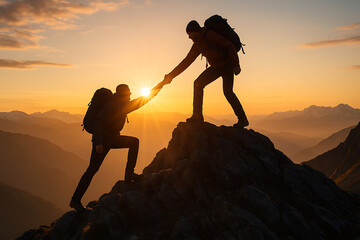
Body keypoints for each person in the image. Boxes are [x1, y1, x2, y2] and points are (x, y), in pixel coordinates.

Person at [70, 80, 167, 212]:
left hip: (110, 139)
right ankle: (75, 200)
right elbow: (98, 121)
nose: (130, 97)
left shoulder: (122, 104)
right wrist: (98, 143)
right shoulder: (113, 105)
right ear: (124, 95)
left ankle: (129, 175)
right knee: (92, 169)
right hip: (103, 141)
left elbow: (145, 99)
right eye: (128, 95)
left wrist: (161, 84)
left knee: (132, 143)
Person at [164, 20, 249, 128]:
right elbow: (186, 62)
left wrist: (237, 65)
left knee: (228, 92)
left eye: (190, 34)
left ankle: (243, 120)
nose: (189, 37)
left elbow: (229, 46)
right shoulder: (197, 44)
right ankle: (197, 116)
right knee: (198, 83)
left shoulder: (210, 35)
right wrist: (171, 76)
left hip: (227, 65)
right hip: (216, 67)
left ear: (195, 31)